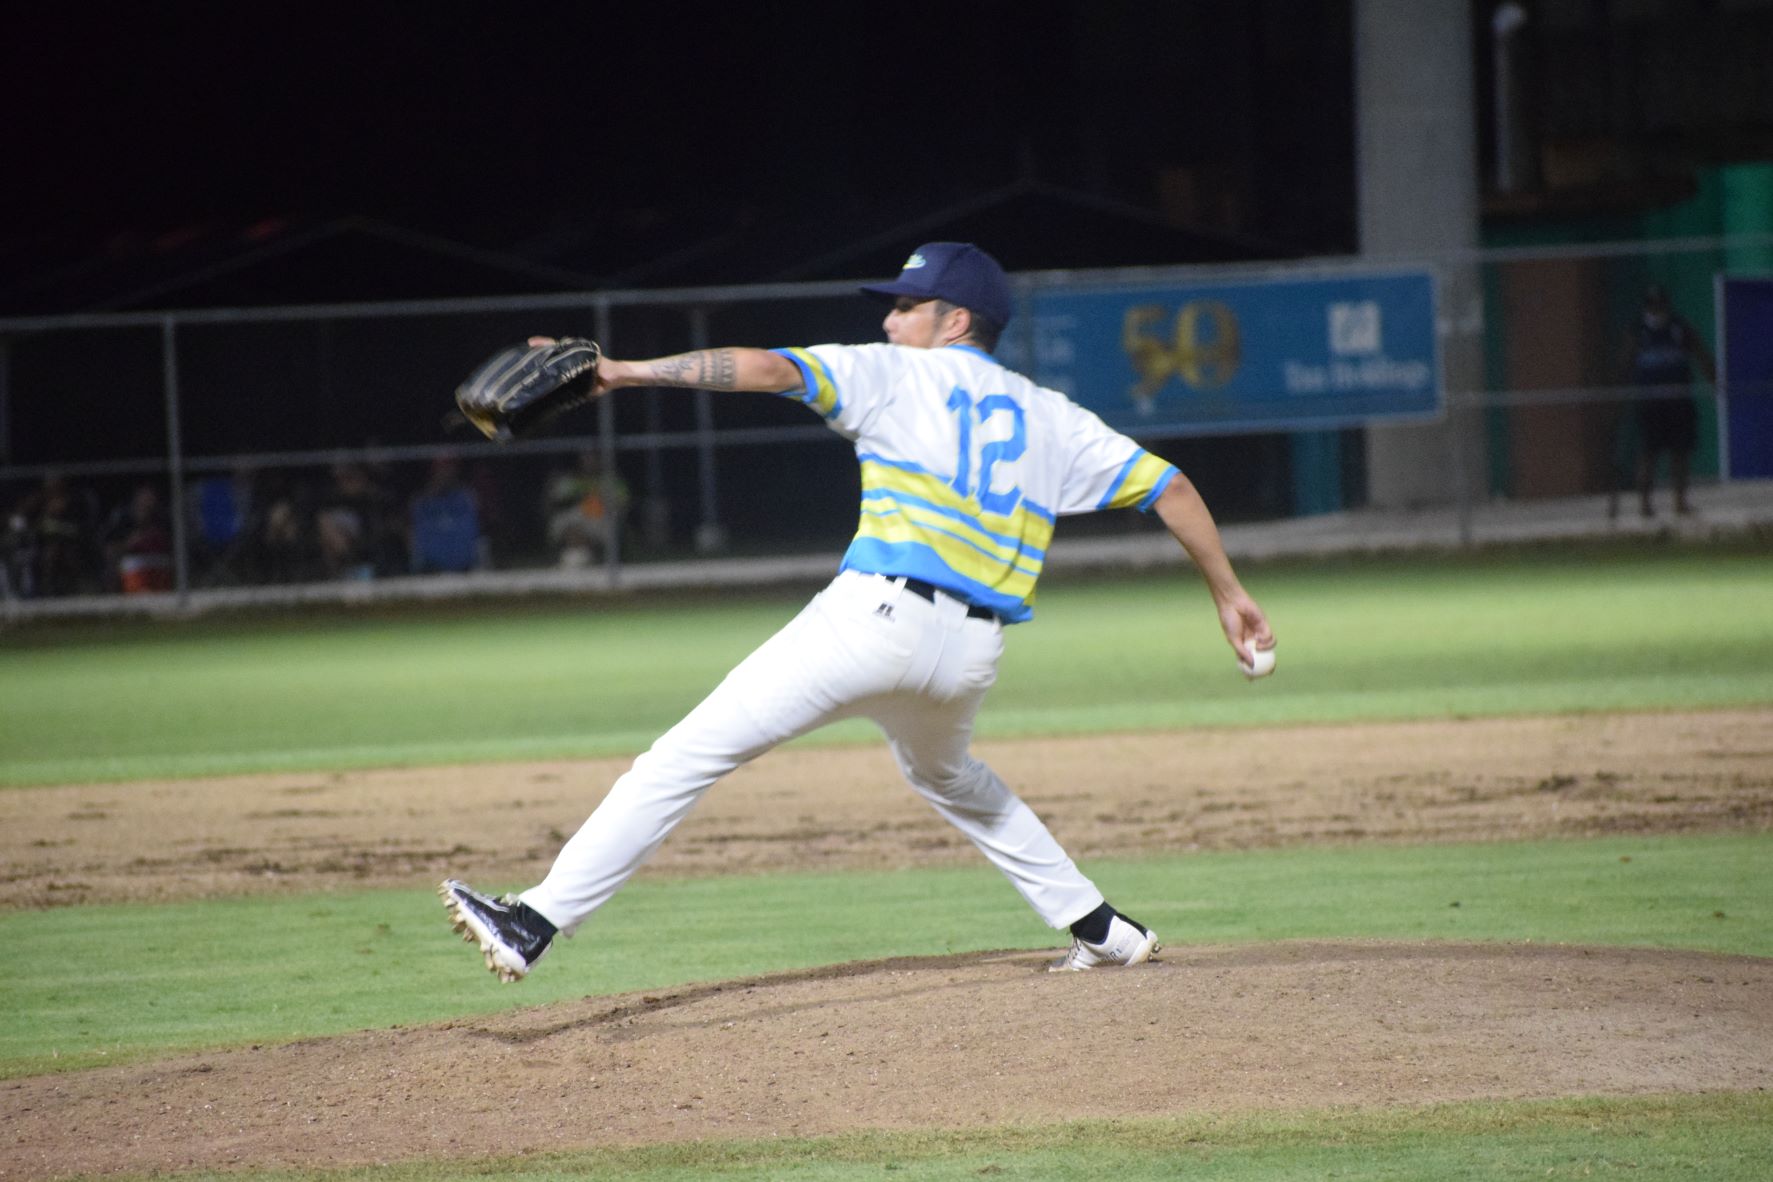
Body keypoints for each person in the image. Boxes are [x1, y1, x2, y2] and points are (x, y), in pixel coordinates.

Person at [441, 242, 1275, 980]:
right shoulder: (1054, 417)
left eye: (906, 306)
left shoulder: (896, 374)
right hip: (970, 656)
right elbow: (1171, 486)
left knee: (682, 757)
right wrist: (1229, 594)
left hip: (872, 622)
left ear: (955, 321)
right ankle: (1102, 931)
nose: (889, 322)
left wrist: (625, 372)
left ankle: (534, 920)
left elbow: (768, 368)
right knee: (948, 774)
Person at [1612, 284, 1716, 518]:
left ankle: (1680, 502)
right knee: (1649, 453)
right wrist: (1617, 396)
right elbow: (1624, 364)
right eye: (1652, 305)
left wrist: (1713, 379)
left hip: (1678, 401)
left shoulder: (1679, 328)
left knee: (1680, 452)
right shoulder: (1638, 330)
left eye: (1660, 305)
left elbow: (1700, 353)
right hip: (1651, 403)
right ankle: (1644, 505)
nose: (1656, 310)